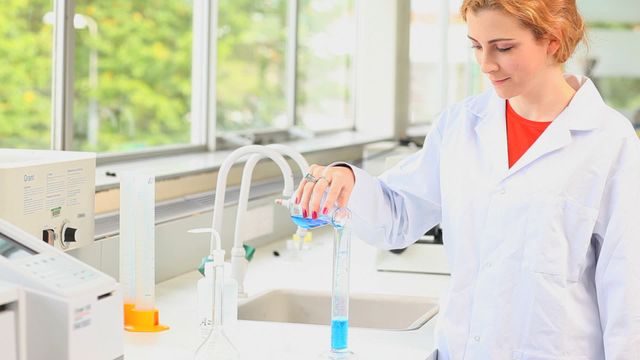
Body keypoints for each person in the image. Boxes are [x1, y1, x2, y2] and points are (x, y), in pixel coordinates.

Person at [294, 0, 640, 359]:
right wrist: (348, 183)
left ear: (552, 39)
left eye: (503, 48)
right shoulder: (460, 126)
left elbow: (628, 292)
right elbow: (398, 216)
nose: (486, 64)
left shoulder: (609, 141)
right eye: (476, 46)